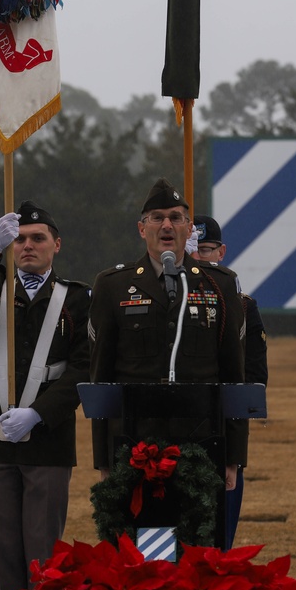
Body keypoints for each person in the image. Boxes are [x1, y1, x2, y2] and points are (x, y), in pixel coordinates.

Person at [0, 200, 91, 590]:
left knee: (43, 551)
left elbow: (85, 369)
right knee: (0, 550)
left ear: (57, 245)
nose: (27, 246)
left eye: (38, 238)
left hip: (47, 437)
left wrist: (39, 413)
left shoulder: (78, 298)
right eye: (19, 240)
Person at [88, 177, 246, 514]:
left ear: (190, 229)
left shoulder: (219, 284)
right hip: (133, 445)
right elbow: (101, 377)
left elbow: (234, 374)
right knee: (140, 558)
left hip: (202, 443)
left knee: (197, 556)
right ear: (141, 228)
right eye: (157, 217)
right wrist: (103, 459)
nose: (167, 225)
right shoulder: (113, 285)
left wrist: (234, 458)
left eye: (176, 217)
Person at [187, 215, 268, 550]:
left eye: (206, 250)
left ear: (221, 252)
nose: (200, 258)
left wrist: (235, 448)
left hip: (220, 432)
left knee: (219, 543)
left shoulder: (242, 306)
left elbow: (252, 377)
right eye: (193, 250)